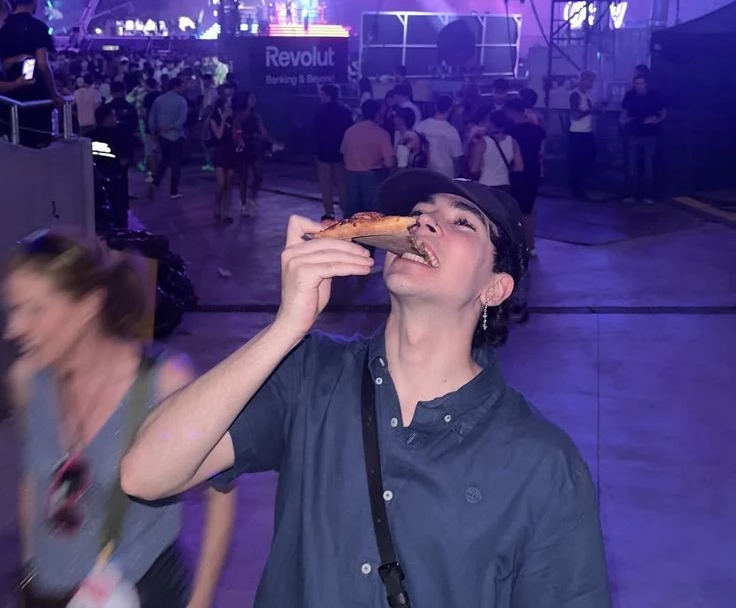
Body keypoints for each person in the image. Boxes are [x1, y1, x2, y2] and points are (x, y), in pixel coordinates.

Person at [121, 168, 612, 608]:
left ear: (495, 287)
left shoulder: (543, 463)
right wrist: (286, 327)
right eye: (418, 212)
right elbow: (146, 475)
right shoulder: (308, 374)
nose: (424, 222)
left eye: (462, 222)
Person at [4, 231, 236, 607]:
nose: (13, 328)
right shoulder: (28, 380)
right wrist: (32, 567)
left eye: (34, 310)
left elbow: (220, 491)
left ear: (87, 306)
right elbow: (35, 481)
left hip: (140, 593)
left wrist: (201, 599)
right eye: (14, 310)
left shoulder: (163, 383)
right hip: (48, 593)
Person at [0, 0, 64, 147]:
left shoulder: (4, 25)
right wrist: (54, 93)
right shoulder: (38, 27)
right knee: (38, 147)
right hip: (34, 97)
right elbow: (42, 64)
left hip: (6, 99)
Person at [505, 97, 546, 257]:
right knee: (530, 208)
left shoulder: (510, 131)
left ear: (511, 111)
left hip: (516, 172)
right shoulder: (539, 130)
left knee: (513, 208)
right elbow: (541, 153)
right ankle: (531, 245)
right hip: (533, 170)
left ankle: (517, 244)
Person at [340, 99, 395, 217]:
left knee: (351, 215)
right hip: (372, 179)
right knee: (370, 216)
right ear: (377, 114)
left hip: (351, 176)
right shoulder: (382, 134)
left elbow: (343, 152)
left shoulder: (350, 131)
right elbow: (389, 162)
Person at [620, 73, 666, 204]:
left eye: (641, 83)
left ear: (646, 84)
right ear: (634, 84)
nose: (639, 86)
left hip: (649, 135)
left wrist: (657, 121)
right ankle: (632, 195)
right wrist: (623, 122)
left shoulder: (654, 95)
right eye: (637, 83)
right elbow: (624, 113)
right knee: (632, 166)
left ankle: (648, 196)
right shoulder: (629, 96)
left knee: (648, 166)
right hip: (633, 134)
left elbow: (664, 111)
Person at [89, 103, 134, 229]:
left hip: (99, 179)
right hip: (116, 178)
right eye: (113, 115)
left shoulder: (90, 136)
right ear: (106, 119)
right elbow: (126, 157)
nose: (116, 118)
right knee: (119, 211)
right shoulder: (121, 134)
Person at [313, 83, 353, 221]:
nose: (320, 97)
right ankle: (346, 210)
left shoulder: (319, 112)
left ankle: (329, 212)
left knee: (326, 184)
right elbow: (349, 131)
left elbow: (315, 132)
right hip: (340, 153)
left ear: (328, 95)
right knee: (342, 184)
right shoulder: (345, 112)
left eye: (322, 94)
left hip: (323, 153)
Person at [149, 77, 188, 200]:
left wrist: (154, 131)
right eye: (182, 86)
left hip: (162, 136)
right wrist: (171, 127)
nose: (183, 88)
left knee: (165, 160)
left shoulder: (159, 99)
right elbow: (182, 120)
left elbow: (152, 117)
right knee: (176, 164)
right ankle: (173, 191)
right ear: (176, 86)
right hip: (176, 136)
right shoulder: (181, 100)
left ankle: (155, 182)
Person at [468, 107, 524, 193]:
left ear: (491, 123)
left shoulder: (483, 142)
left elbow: (474, 169)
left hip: (485, 184)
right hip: (505, 185)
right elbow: (519, 167)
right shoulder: (513, 141)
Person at [233, 91, 270, 217]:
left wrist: (263, 134)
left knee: (259, 175)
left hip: (254, 146)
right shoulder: (239, 115)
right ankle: (243, 204)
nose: (253, 100)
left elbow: (262, 131)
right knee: (243, 177)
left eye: (254, 98)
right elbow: (236, 132)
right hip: (243, 147)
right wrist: (239, 140)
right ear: (245, 100)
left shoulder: (257, 116)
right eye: (251, 98)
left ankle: (251, 198)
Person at [567, 70, 601, 200]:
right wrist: (591, 110)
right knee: (578, 161)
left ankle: (581, 187)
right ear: (583, 80)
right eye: (590, 80)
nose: (592, 83)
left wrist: (597, 109)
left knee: (589, 157)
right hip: (577, 132)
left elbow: (588, 112)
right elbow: (575, 115)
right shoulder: (575, 95)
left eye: (593, 81)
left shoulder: (588, 95)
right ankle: (576, 190)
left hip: (587, 131)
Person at [415, 93, 464, 178]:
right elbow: (456, 158)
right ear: (450, 109)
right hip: (445, 175)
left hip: (422, 173)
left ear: (435, 106)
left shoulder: (421, 126)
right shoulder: (452, 131)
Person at [210, 94, 236, 224]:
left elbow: (235, 134)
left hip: (231, 151)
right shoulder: (214, 119)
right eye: (227, 104)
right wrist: (224, 119)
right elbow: (219, 135)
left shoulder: (233, 118)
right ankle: (217, 206)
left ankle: (227, 211)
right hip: (220, 152)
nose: (229, 106)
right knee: (221, 183)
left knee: (229, 182)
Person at [73, 71, 101, 136]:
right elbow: (98, 109)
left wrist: (76, 114)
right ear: (93, 81)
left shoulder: (76, 92)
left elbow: (71, 105)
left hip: (81, 122)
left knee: (83, 140)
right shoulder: (96, 93)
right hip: (93, 122)